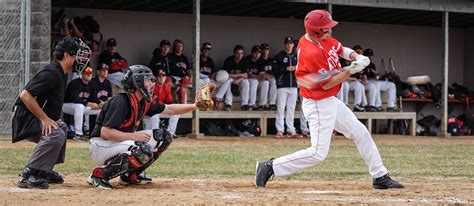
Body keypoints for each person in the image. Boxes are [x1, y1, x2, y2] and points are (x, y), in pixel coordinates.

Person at [255, 10, 404, 190]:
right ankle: (270, 167)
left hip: (329, 101)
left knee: (361, 132)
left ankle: (379, 175)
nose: (330, 31)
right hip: (318, 102)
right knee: (318, 153)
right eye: (326, 29)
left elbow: (340, 49)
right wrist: (350, 71)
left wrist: (356, 57)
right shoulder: (311, 52)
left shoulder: (321, 38)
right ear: (316, 32)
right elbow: (327, 84)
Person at [88, 65, 210, 189]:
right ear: (138, 82)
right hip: (101, 145)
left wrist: (195, 105)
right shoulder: (121, 101)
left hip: (118, 142)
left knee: (163, 137)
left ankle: (129, 175)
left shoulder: (143, 101)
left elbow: (170, 108)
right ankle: (99, 175)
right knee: (141, 149)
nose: (152, 84)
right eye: (148, 81)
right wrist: (135, 136)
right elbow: (105, 132)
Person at [12, 37, 90, 189]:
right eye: (76, 56)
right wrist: (44, 119)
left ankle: (43, 170)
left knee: (62, 128)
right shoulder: (52, 73)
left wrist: (50, 119)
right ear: (67, 56)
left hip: (30, 116)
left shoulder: (61, 72)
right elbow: (25, 95)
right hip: (23, 117)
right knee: (56, 133)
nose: (79, 60)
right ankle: (29, 173)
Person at [272, 36, 302, 139]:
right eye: (287, 43)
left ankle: (291, 130)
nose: (289, 45)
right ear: (284, 44)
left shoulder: (296, 56)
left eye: (291, 43)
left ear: (293, 45)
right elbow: (274, 70)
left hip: (293, 85)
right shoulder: (279, 56)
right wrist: (285, 69)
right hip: (282, 85)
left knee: (291, 109)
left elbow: (302, 68)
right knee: (280, 108)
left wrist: (295, 68)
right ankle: (280, 130)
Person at [62, 67, 101, 141]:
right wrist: (89, 104)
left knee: (100, 110)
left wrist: (99, 104)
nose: (89, 75)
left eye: (90, 73)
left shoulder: (92, 84)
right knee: (80, 106)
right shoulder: (74, 83)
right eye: (86, 73)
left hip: (82, 107)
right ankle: (78, 134)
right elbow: (75, 99)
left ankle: (98, 132)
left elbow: (94, 98)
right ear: (82, 74)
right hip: (67, 105)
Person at [144, 68, 180, 139]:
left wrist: (173, 106)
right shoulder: (152, 86)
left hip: (161, 108)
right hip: (151, 109)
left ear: (166, 77)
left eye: (163, 76)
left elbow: (169, 101)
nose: (162, 78)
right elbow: (150, 101)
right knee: (155, 113)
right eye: (160, 76)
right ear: (156, 77)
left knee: (176, 112)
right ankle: (156, 133)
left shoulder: (166, 87)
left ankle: (170, 133)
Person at [199, 42, 232, 110]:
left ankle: (217, 98)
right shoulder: (197, 59)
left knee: (228, 81)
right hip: (200, 80)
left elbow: (212, 73)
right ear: (202, 49)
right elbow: (195, 73)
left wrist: (215, 75)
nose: (206, 51)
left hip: (209, 81)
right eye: (205, 49)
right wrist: (208, 76)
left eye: (208, 49)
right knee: (206, 80)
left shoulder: (210, 61)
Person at [223, 45, 249, 110]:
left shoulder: (245, 60)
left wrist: (237, 80)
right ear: (234, 53)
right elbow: (226, 75)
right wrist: (240, 75)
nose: (240, 55)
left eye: (241, 53)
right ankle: (228, 103)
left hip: (239, 80)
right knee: (228, 81)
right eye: (237, 53)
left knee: (246, 82)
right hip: (230, 78)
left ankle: (244, 104)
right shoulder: (229, 60)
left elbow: (246, 75)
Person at [169, 39, 192, 104]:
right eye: (177, 46)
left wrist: (191, 77)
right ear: (174, 47)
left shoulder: (184, 58)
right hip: (173, 77)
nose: (179, 48)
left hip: (182, 78)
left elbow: (189, 70)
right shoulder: (170, 56)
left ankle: (182, 104)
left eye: (181, 46)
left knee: (185, 83)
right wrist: (173, 80)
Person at [243, 45, 264, 111]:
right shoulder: (247, 59)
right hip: (246, 79)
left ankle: (262, 104)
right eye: (255, 52)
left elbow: (262, 74)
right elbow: (247, 74)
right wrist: (258, 76)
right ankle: (251, 104)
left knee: (266, 82)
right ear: (252, 53)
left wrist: (261, 76)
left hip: (256, 80)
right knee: (254, 81)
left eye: (259, 53)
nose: (257, 54)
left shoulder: (260, 61)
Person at [259, 43, 277, 111]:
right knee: (265, 83)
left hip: (270, 78)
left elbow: (275, 72)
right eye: (263, 50)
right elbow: (260, 73)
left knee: (274, 81)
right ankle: (262, 104)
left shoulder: (271, 60)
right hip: (261, 80)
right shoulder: (259, 60)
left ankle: (272, 103)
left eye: (266, 50)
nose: (265, 51)